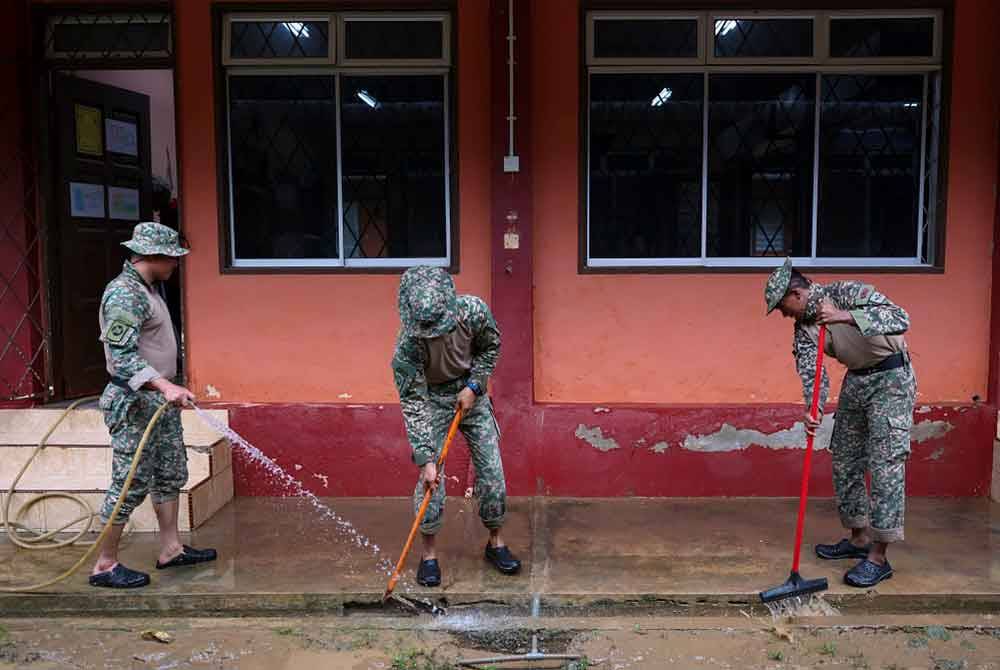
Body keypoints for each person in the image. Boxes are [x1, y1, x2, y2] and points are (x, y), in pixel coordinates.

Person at [765, 258, 916, 587]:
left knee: (884, 463)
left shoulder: (847, 293)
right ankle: (859, 538)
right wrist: (813, 409)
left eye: (782, 306)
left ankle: (878, 556)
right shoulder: (804, 329)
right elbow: (812, 375)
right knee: (846, 459)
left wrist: (844, 316)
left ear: (796, 293)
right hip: (857, 380)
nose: (783, 313)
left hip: (890, 377)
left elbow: (900, 318)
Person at [89, 222, 216, 589]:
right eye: (171, 259)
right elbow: (122, 356)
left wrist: (166, 389)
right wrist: (164, 385)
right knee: (129, 483)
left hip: (157, 401)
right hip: (134, 403)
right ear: (152, 256)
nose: (175, 265)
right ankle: (105, 565)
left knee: (170, 472)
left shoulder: (150, 288)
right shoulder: (125, 294)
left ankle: (171, 549)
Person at [391, 266, 521, 587]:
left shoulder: (473, 313)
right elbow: (413, 401)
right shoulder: (407, 345)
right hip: (433, 401)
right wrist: (426, 458)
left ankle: (495, 542)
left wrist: (475, 387)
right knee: (430, 483)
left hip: (470, 395)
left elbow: (491, 348)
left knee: (492, 473)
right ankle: (429, 554)